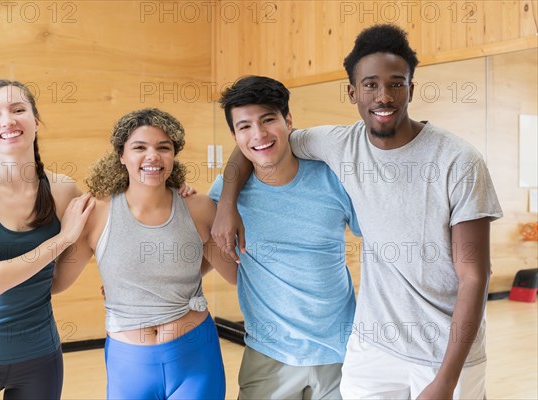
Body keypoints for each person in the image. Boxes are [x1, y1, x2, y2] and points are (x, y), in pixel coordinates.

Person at [213, 24, 503, 399]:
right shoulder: (338, 144)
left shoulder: (458, 161)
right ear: (353, 92)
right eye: (370, 85)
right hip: (373, 349)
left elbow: (475, 277)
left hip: (442, 353)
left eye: (396, 83)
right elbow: (257, 144)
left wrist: (446, 380)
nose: (383, 96)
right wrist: (226, 203)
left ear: (412, 88)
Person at [44, 108, 236, 399]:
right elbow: (55, 283)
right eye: (139, 147)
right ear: (122, 156)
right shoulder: (95, 214)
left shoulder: (198, 208)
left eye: (163, 147)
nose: (153, 156)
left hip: (195, 355)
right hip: (129, 362)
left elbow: (233, 274)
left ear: (174, 155)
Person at [0, 79, 95, 400]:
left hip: (40, 358)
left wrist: (177, 190)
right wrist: (63, 238)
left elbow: (56, 282)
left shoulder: (65, 191)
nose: (7, 120)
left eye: (18, 109)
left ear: (36, 121)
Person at [208, 76, 360, 399]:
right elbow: (188, 227)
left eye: (268, 120)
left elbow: (379, 236)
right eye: (244, 126)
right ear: (235, 136)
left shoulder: (333, 179)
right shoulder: (225, 196)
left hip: (340, 353)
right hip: (269, 356)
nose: (259, 135)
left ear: (288, 120)